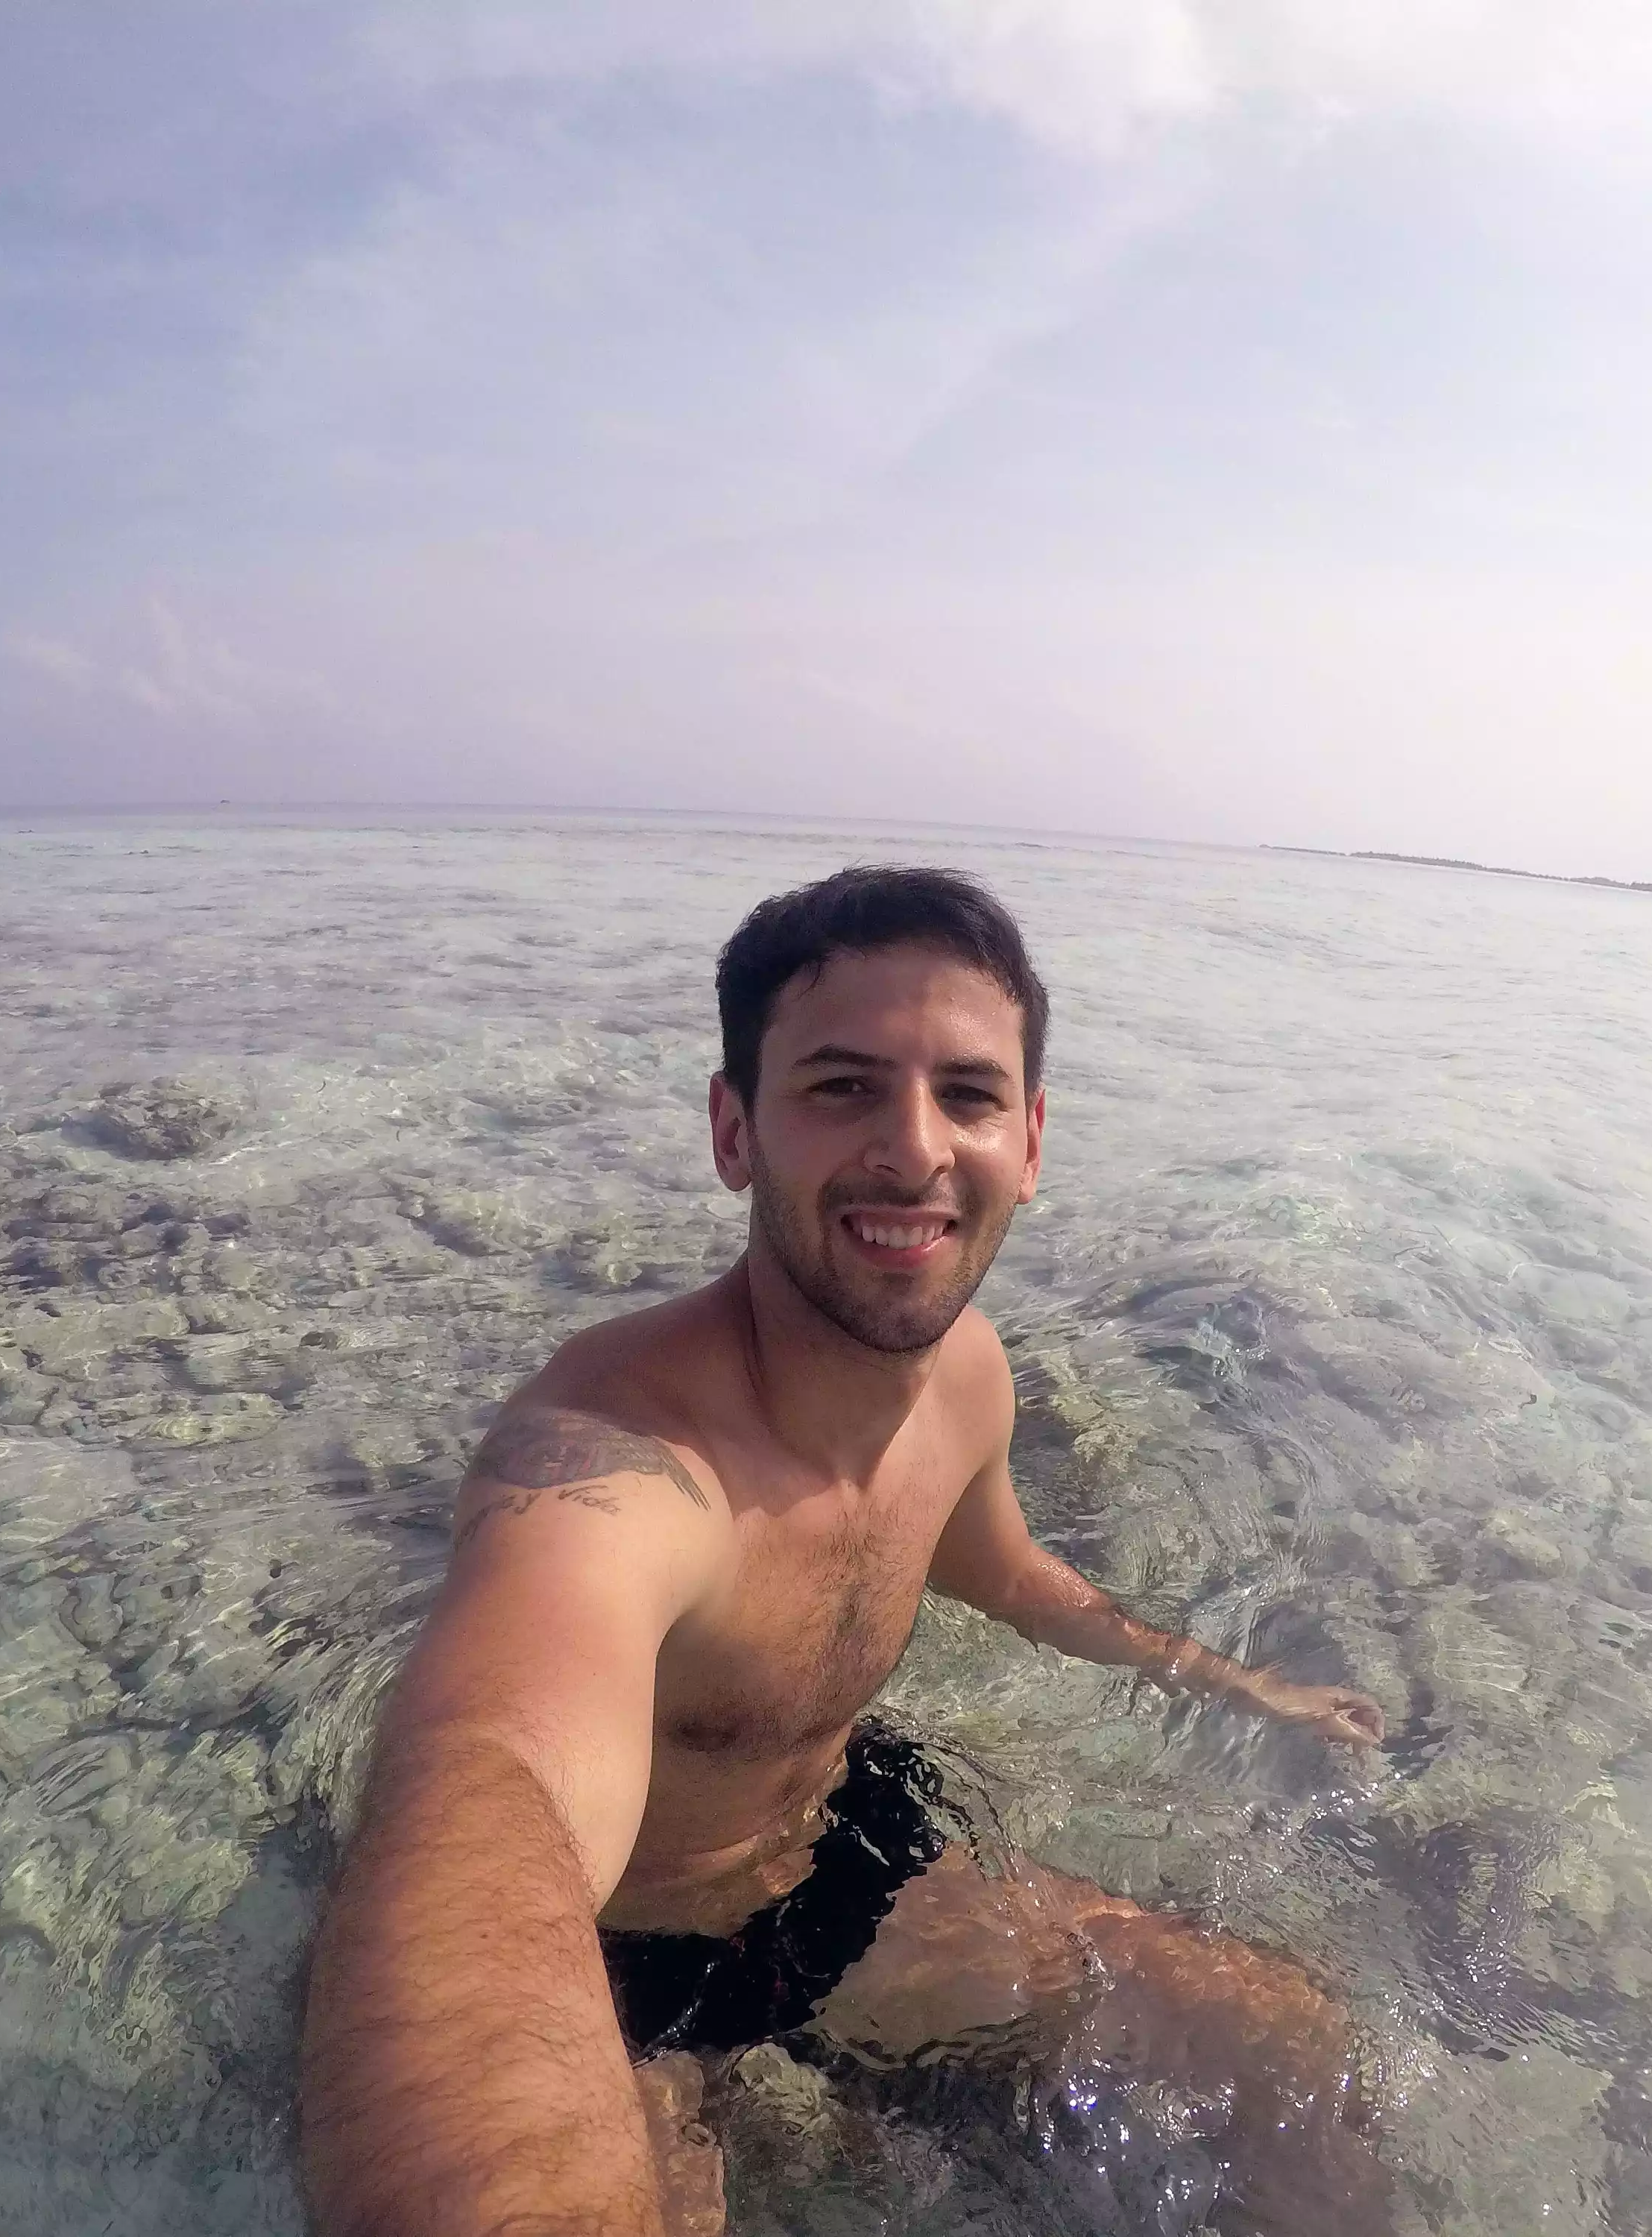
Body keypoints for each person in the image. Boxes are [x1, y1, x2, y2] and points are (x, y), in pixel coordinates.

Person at [300, 867, 1391, 2237]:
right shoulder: (616, 1467)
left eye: (968, 1094)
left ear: (1031, 1142)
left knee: (1286, 2036)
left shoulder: (967, 1378)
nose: (914, 1149)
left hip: (835, 1855)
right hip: (617, 1976)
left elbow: (1006, 1572)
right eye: (842, 1088)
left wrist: (1221, 1678)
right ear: (734, 1130)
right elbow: (489, 1772)